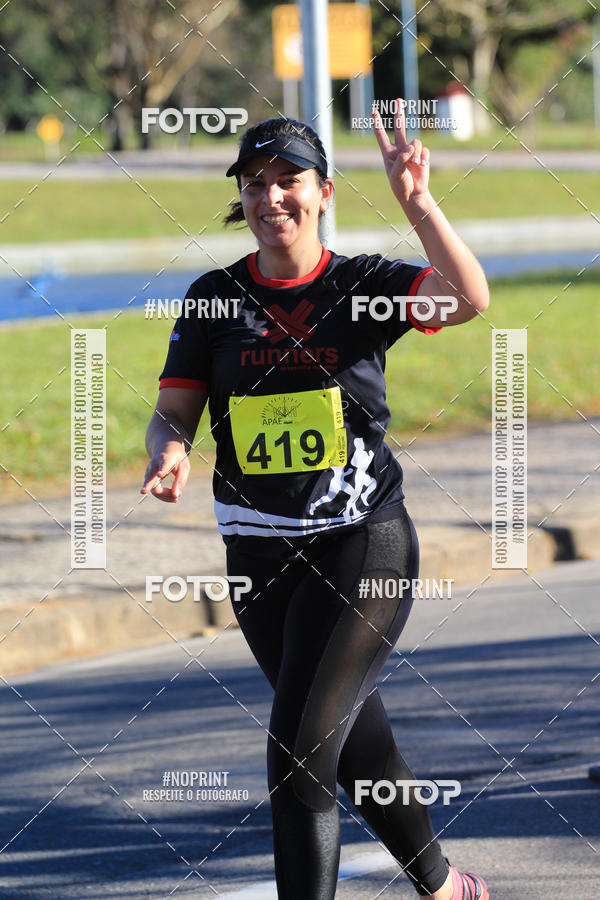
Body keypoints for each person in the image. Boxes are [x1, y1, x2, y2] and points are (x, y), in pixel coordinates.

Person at [141, 102, 491, 899]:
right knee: (355, 747)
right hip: (257, 553)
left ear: (324, 191)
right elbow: (176, 409)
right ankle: (445, 886)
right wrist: (167, 450)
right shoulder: (212, 297)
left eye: (289, 180)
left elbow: (469, 299)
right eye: (256, 183)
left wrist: (420, 206)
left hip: (361, 539)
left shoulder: (361, 284)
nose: (272, 198)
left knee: (299, 752)